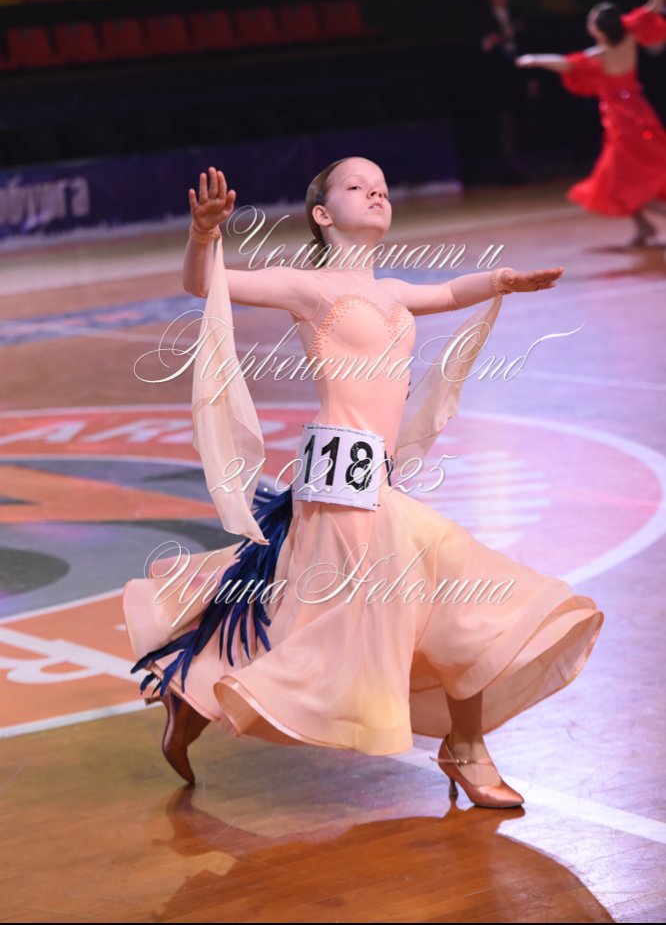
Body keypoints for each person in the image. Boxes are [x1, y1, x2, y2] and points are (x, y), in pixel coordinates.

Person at [122, 157, 603, 809]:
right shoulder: (307, 287)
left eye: (381, 186)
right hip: (336, 487)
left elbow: (448, 294)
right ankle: (464, 746)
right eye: (356, 185)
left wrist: (500, 281)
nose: (375, 191)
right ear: (323, 214)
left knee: (353, 614)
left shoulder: (395, 292)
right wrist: (204, 233)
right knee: (417, 591)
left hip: (372, 480)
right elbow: (205, 283)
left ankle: (195, 694)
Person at [516, 0, 666, 246]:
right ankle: (643, 228)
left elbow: (566, 63)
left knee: (629, 179)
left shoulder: (601, 54)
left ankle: (649, 223)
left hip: (624, 123)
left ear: (598, 30)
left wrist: (534, 59)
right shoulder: (629, 35)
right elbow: (654, 4)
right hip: (637, 112)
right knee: (617, 178)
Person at [478, 0, 530, 183]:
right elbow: (478, 47)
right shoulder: (483, 17)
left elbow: (526, 44)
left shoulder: (517, 14)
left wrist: (530, 77)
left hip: (516, 72)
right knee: (503, 120)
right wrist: (492, 41)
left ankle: (517, 164)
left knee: (518, 119)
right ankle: (506, 167)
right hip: (496, 76)